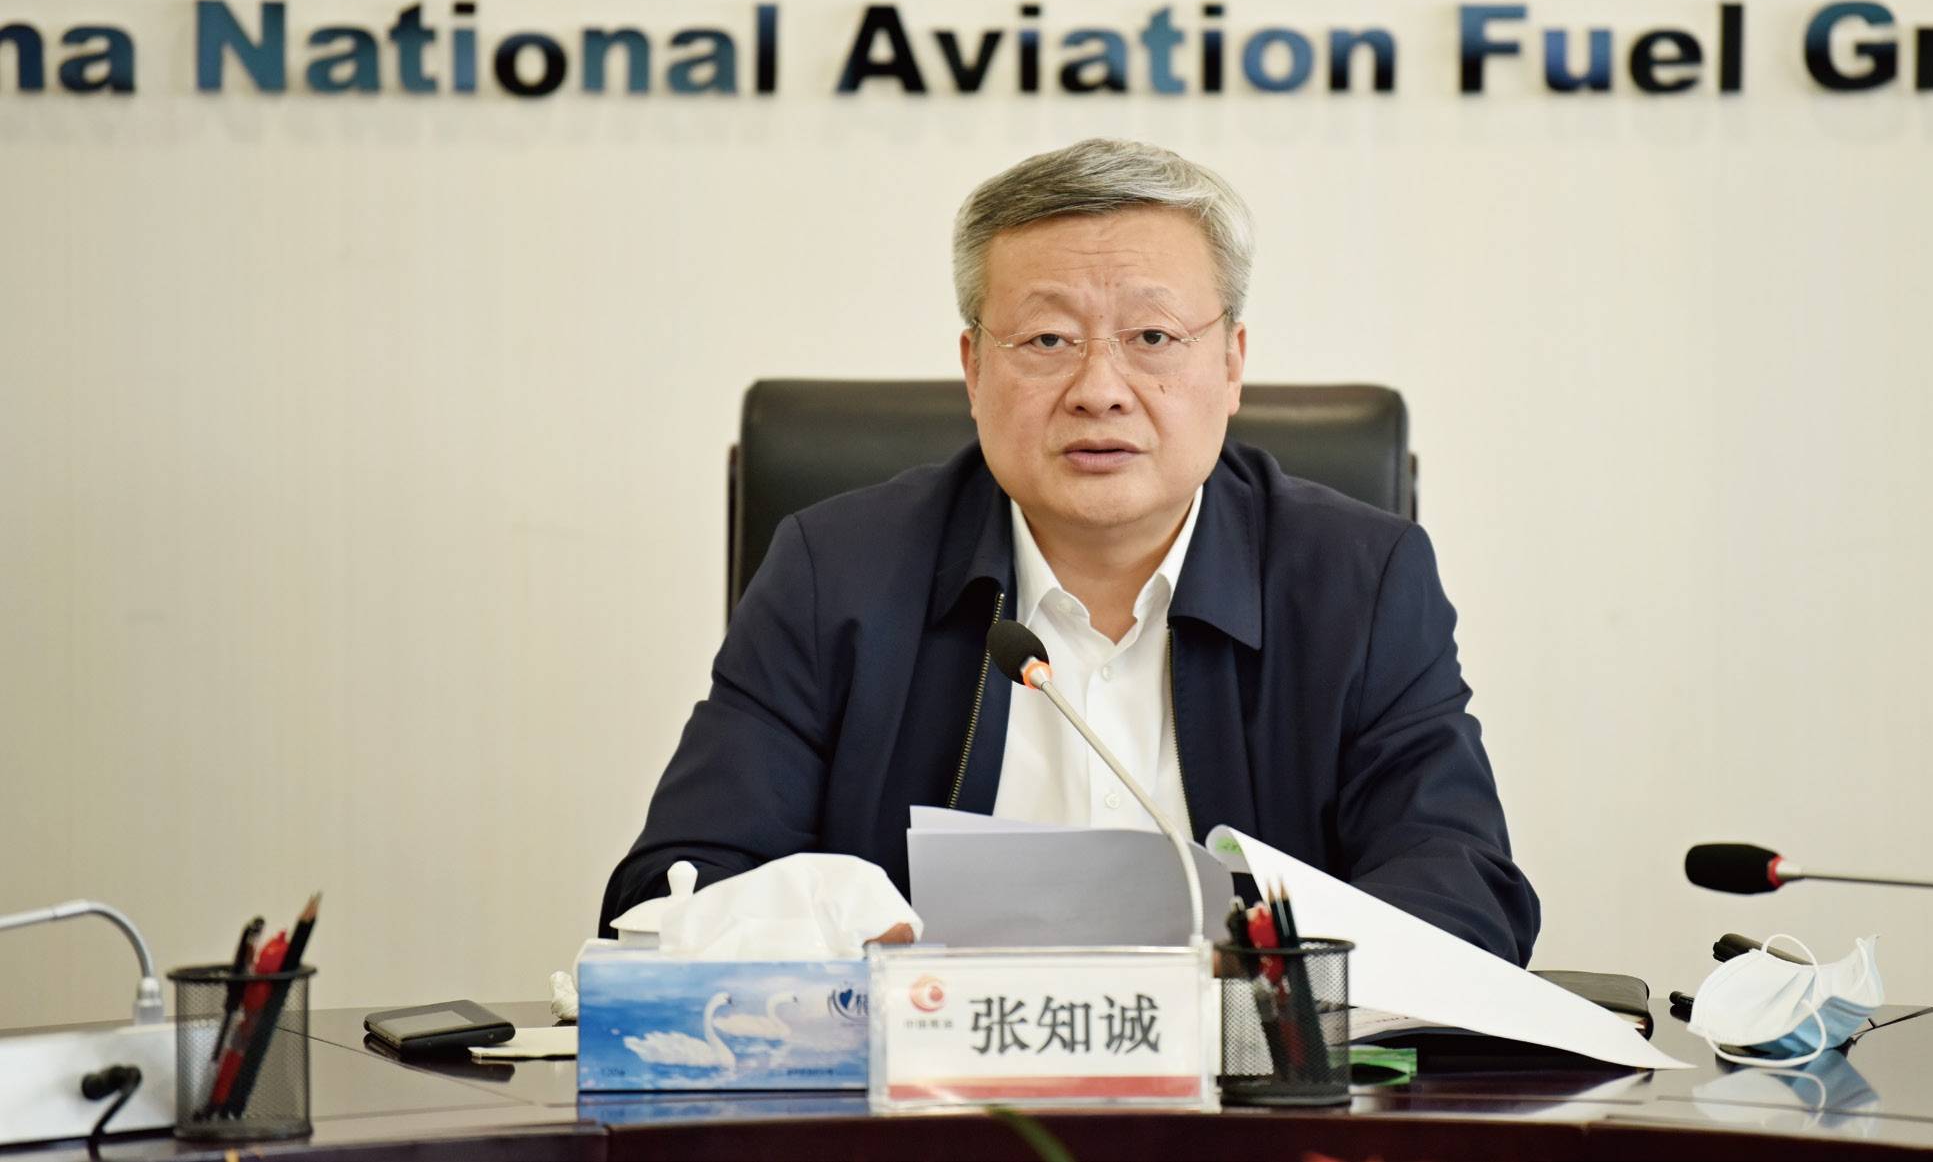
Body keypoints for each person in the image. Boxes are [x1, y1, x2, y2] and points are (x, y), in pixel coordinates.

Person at [601, 138, 1540, 963]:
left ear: (1230, 363)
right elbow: (671, 892)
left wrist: (1267, 975)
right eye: (1047, 338)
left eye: (1152, 336)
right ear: (973, 367)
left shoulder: (1358, 580)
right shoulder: (834, 573)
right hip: (921, 1094)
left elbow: (1461, 888)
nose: (1100, 388)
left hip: (1250, 1099)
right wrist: (843, 930)